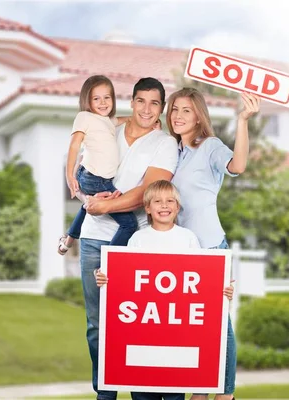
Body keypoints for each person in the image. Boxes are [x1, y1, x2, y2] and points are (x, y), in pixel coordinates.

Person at [78, 77, 178, 400]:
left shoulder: (165, 144)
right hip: (93, 238)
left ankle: (140, 391)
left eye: (154, 103)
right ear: (131, 102)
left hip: (133, 241)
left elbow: (146, 192)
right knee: (96, 325)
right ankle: (104, 395)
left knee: (132, 324)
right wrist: (88, 200)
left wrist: (104, 205)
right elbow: (86, 171)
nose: (146, 109)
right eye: (141, 101)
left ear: (161, 109)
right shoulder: (110, 131)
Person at [94, 180, 235, 400]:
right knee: (142, 392)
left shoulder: (188, 238)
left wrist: (221, 292)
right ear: (147, 208)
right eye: (157, 201)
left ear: (178, 207)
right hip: (143, 337)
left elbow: (200, 281)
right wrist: (105, 278)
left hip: (177, 340)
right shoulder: (138, 239)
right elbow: (124, 279)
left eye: (170, 201)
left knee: (174, 393)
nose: (164, 205)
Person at [167, 87, 260, 400]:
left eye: (187, 110)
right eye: (175, 109)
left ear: (198, 117)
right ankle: (201, 390)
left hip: (209, 248)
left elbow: (237, 166)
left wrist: (243, 120)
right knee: (193, 325)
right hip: (181, 252)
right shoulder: (173, 152)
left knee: (219, 324)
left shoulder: (209, 146)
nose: (178, 116)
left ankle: (224, 393)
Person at [58, 75, 138, 256]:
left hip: (96, 177)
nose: (103, 103)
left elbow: (121, 120)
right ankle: (108, 265)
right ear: (88, 101)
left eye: (107, 97)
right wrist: (69, 175)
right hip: (95, 178)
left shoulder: (108, 121)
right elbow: (74, 145)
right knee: (129, 223)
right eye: (96, 98)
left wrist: (139, 119)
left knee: (88, 206)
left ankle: (67, 240)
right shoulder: (84, 117)